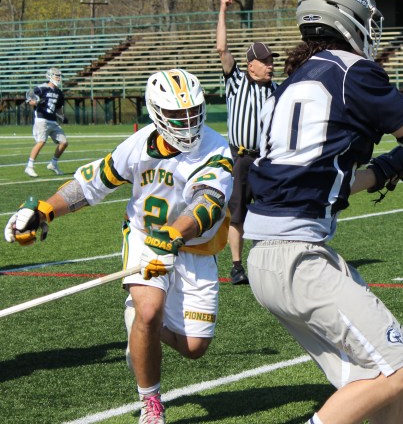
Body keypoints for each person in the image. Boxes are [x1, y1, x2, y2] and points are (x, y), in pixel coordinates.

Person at [243, 0, 403, 424]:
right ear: (348, 19)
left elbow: (319, 182)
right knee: (400, 368)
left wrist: (386, 169)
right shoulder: (352, 71)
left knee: (377, 379)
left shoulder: (295, 81)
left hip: (268, 259)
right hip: (300, 260)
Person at [5, 69, 233, 424]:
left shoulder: (216, 147)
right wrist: (46, 210)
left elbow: (209, 202)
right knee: (149, 310)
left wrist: (174, 235)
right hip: (144, 235)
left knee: (194, 347)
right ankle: (151, 402)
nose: (188, 123)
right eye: (177, 116)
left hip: (194, 247)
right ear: (157, 113)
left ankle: (141, 328)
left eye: (193, 113)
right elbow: (92, 184)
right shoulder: (138, 144)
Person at [216, 0, 277, 286]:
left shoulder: (277, 90)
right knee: (238, 212)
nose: (270, 65)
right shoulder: (236, 81)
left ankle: (261, 261)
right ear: (250, 64)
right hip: (240, 157)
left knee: (266, 212)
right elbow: (222, 50)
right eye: (265, 61)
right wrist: (223, 11)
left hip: (266, 160)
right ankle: (237, 266)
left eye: (271, 60)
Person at [24, 67, 68, 177]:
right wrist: (36, 102)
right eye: (56, 76)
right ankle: (29, 166)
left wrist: (62, 117)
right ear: (49, 76)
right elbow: (30, 100)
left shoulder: (59, 92)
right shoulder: (41, 89)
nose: (58, 78)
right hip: (41, 119)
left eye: (59, 76)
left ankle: (53, 163)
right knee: (41, 141)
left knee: (64, 142)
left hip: (52, 120)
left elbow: (57, 108)